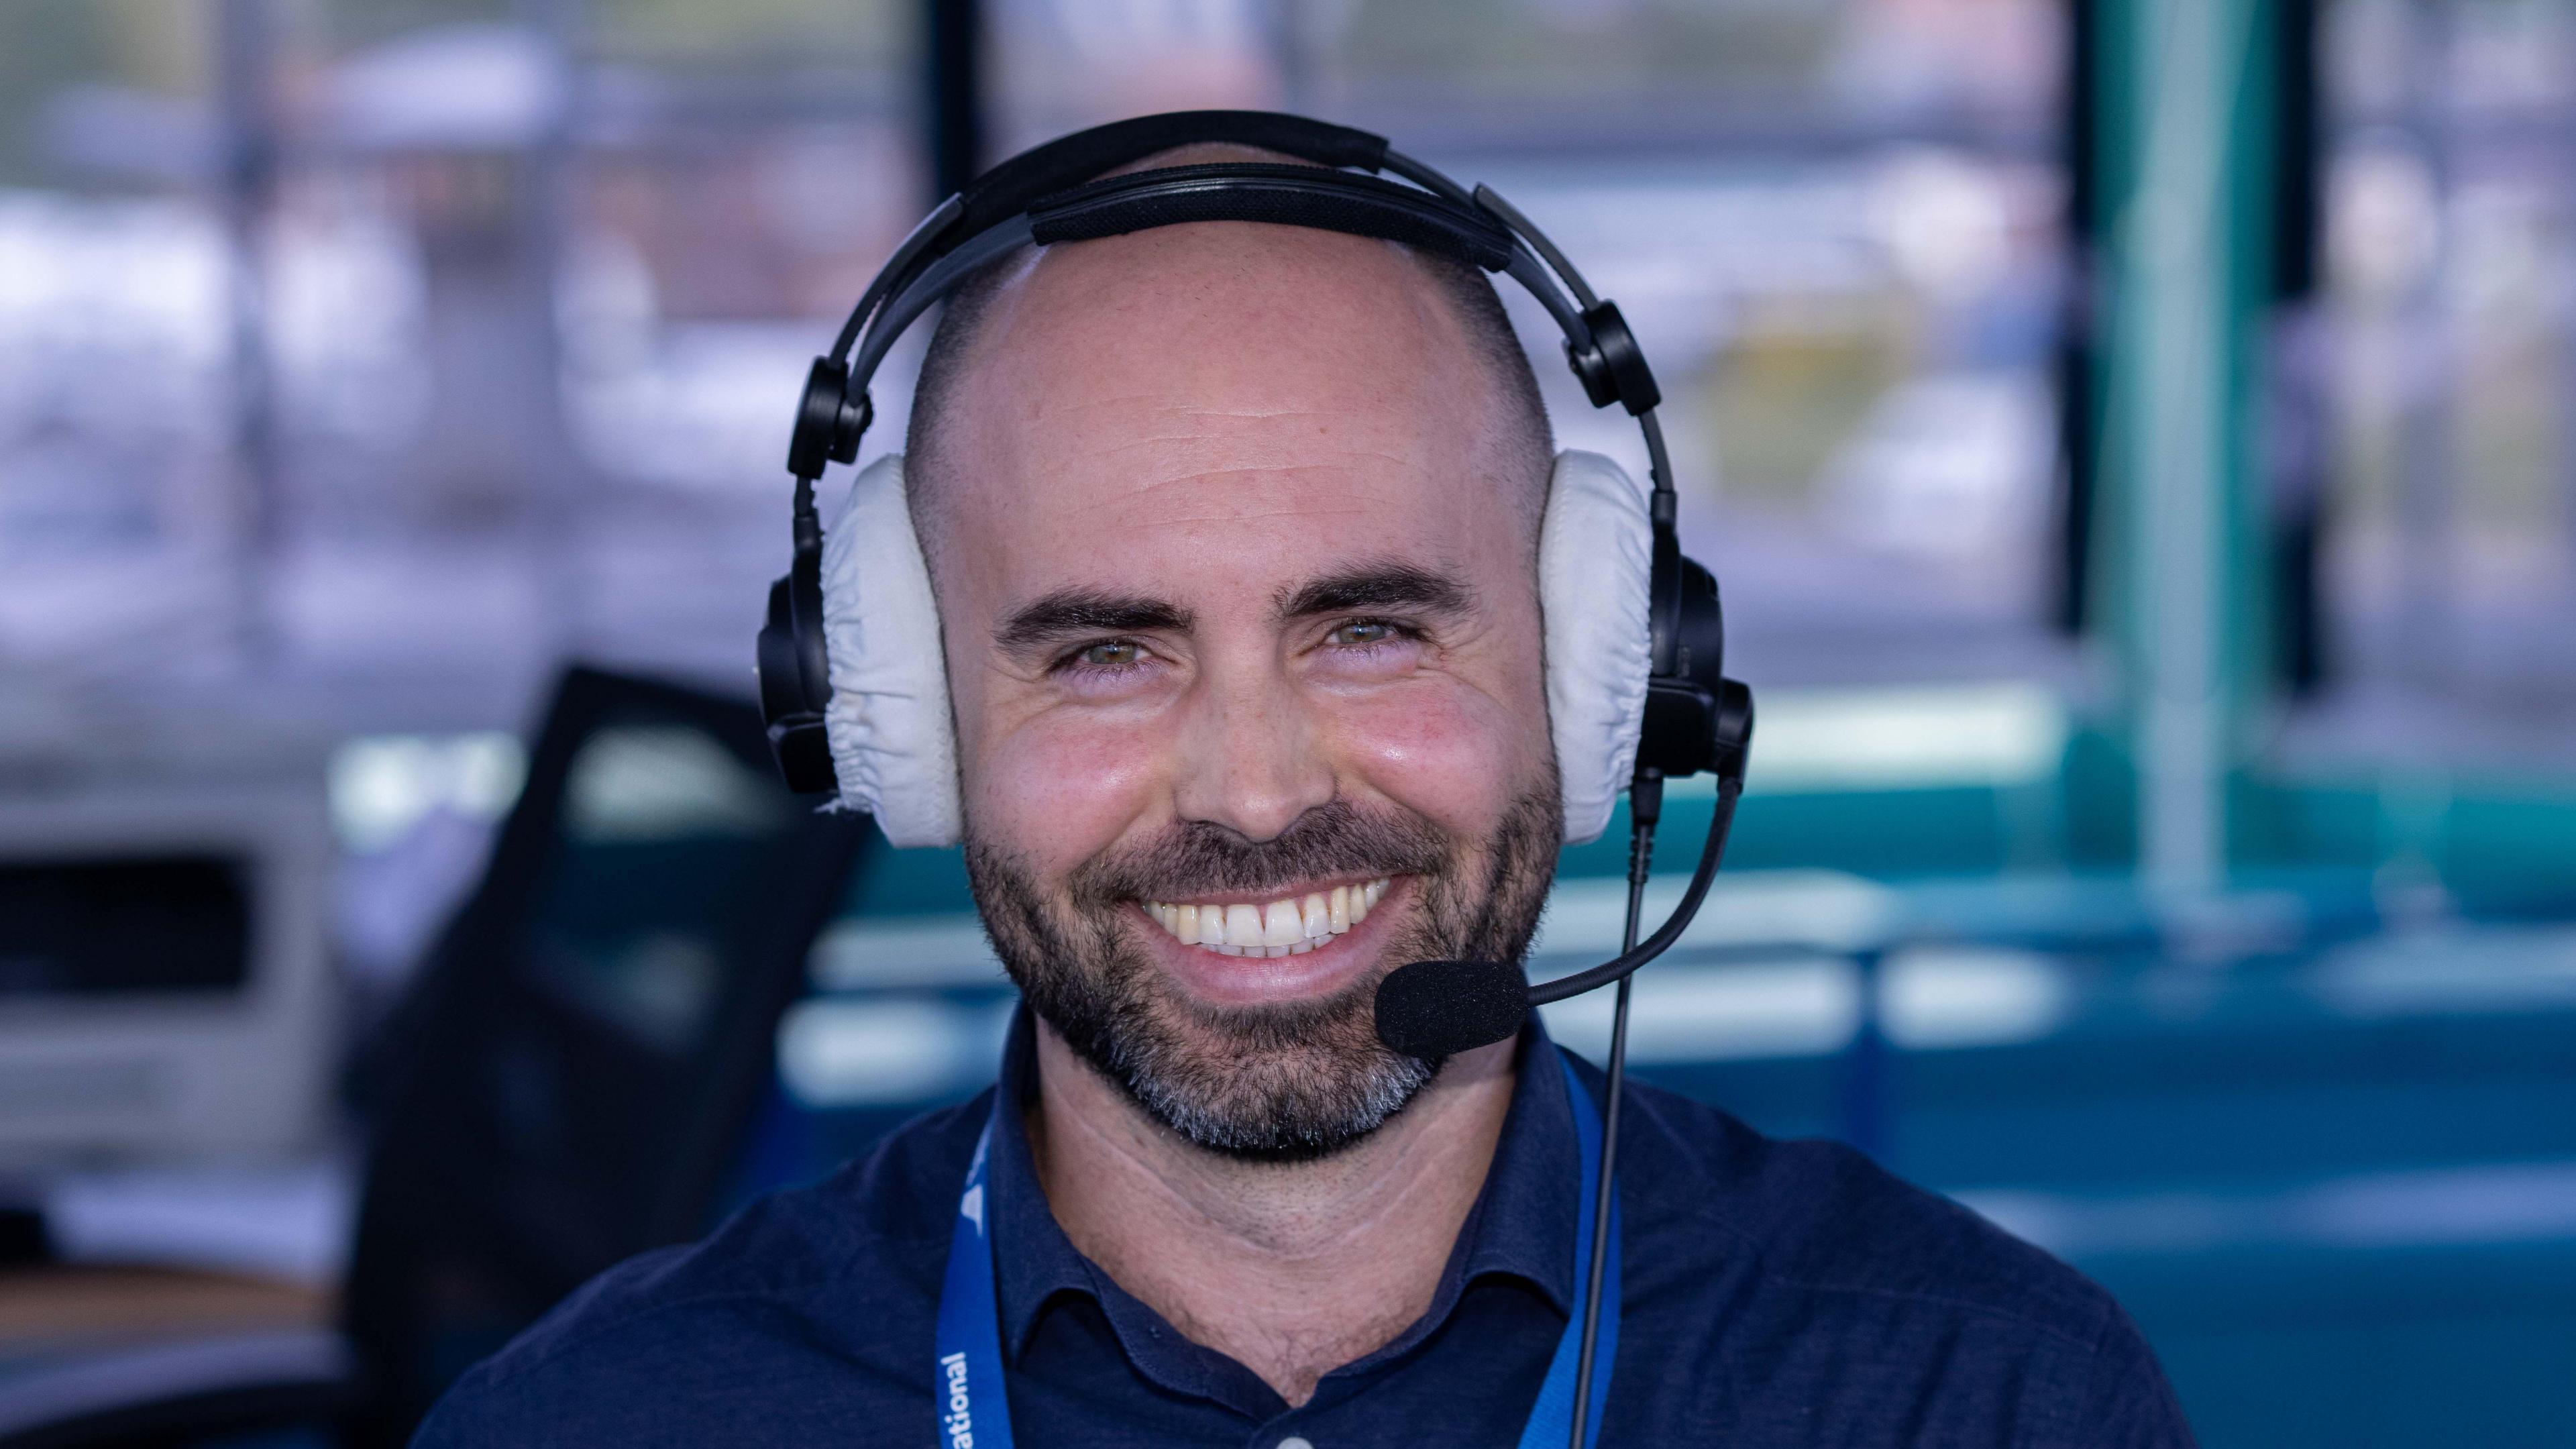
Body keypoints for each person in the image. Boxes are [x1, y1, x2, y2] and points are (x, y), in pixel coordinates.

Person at [414, 139, 2195, 1448]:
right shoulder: (600, 1426)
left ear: (1603, 674)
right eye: (1107, 653)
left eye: (1367, 631)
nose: (1256, 794)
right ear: (899, 720)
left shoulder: (1974, 1398)